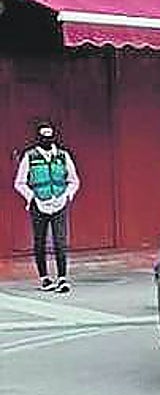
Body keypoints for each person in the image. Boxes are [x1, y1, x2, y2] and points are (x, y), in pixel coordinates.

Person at [13, 120, 80, 292]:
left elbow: (73, 180)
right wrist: (31, 198)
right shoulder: (30, 156)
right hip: (39, 204)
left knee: (60, 241)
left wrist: (67, 195)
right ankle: (44, 278)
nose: (47, 140)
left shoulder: (63, 156)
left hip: (59, 202)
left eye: (50, 136)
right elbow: (20, 182)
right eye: (44, 136)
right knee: (40, 241)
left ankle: (62, 278)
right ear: (38, 138)